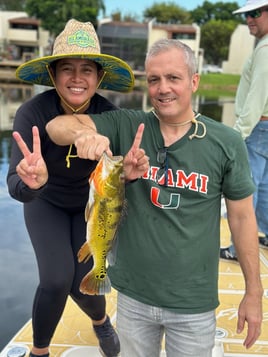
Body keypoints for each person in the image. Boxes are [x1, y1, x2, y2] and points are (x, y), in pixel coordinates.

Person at [48, 39, 263, 356]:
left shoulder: (226, 142)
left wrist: (254, 293)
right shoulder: (127, 124)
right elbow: (57, 125)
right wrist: (84, 134)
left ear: (194, 81)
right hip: (133, 297)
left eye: (173, 78)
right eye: (154, 79)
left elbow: (243, 219)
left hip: (193, 302)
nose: (163, 88)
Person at [6, 18, 140, 357]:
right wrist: (31, 183)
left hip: (92, 206)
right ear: (52, 75)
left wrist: (132, 173)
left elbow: (124, 181)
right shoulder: (31, 113)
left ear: (99, 77)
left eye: (87, 70)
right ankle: (39, 351)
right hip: (45, 202)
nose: (77, 78)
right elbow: (14, 187)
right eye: (67, 68)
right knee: (54, 279)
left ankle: (100, 322)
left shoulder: (110, 115)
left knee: (86, 284)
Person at [220, 0, 268, 262]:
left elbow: (257, 95)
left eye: (255, 13)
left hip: (258, 126)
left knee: (246, 189)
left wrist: (236, 136)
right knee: (265, 184)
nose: (249, 19)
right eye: (246, 15)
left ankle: (239, 249)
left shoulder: (264, 49)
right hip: (266, 127)